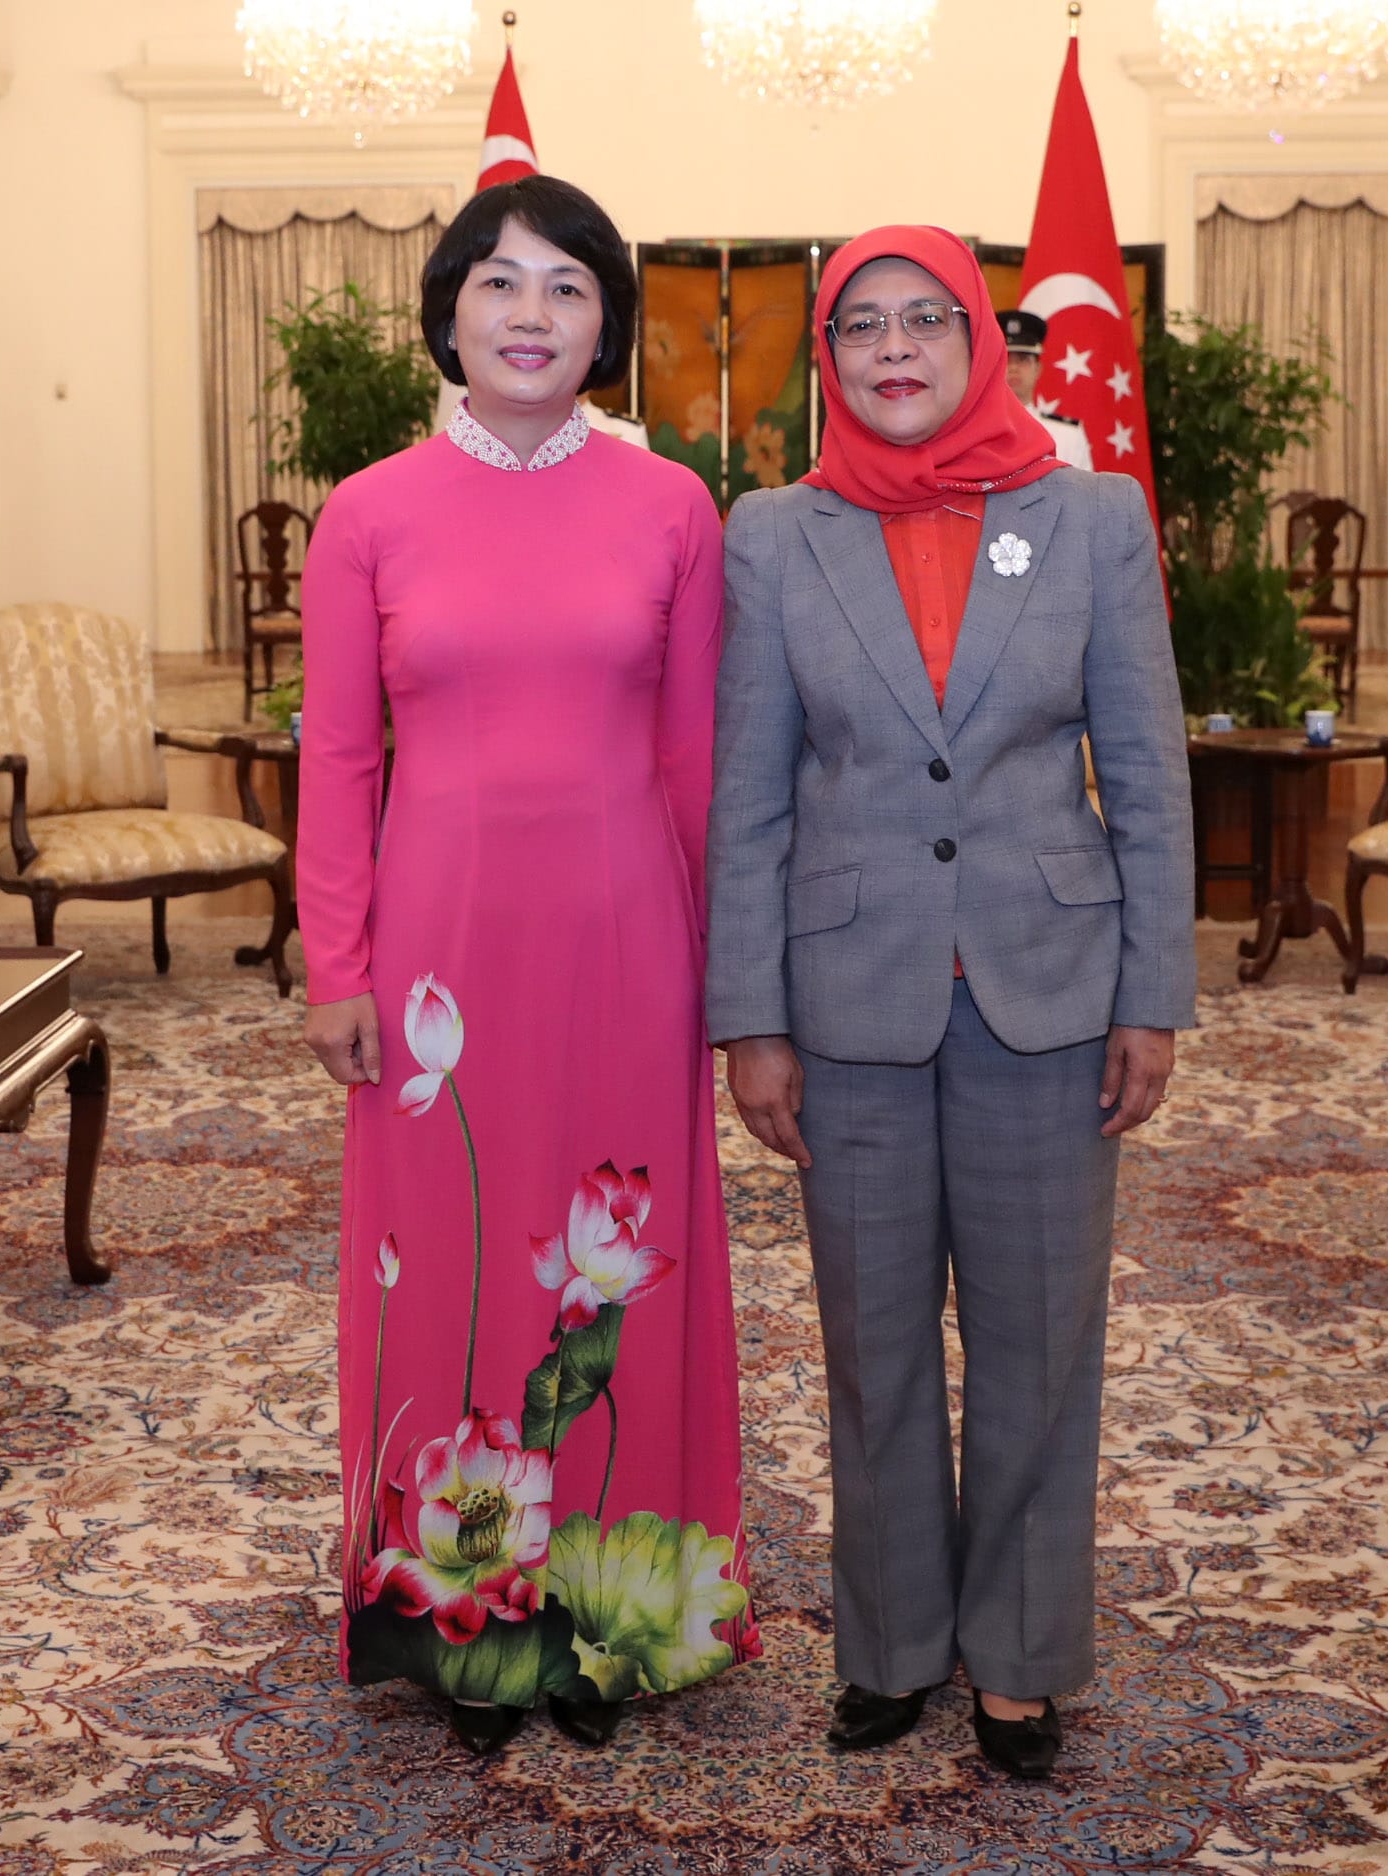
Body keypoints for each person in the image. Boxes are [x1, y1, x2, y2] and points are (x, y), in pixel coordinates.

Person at [706, 227, 1193, 1780]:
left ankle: (1020, 1659)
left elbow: (1148, 772)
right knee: (871, 1342)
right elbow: (749, 797)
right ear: (827, 355)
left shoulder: (1087, 517)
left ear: (986, 341)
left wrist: (1153, 991)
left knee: (1038, 1338)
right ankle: (894, 1644)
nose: (894, 349)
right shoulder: (774, 533)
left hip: (1048, 990)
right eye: (861, 326)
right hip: (846, 992)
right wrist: (748, 1017)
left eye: (927, 319)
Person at [300, 174, 756, 1757]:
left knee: (610, 1276)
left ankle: (611, 1622)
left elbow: (698, 763)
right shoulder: (366, 512)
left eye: (566, 289)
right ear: (448, 312)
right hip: (434, 969)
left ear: (605, 330)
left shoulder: (671, 511)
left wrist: (733, 976)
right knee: (452, 1262)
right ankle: (457, 1632)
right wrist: (336, 968)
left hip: (630, 947)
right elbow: (337, 763)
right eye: (499, 284)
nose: (529, 316)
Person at [996, 307, 1091, 470]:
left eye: (1023, 360)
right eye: (1006, 358)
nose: (1013, 368)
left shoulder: (1068, 435)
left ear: (1038, 369)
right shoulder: (976, 433)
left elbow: (1083, 495)